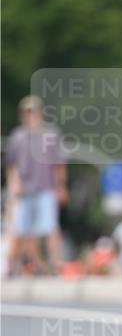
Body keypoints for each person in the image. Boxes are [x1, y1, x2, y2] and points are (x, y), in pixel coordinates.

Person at [3, 95, 68, 276]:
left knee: (50, 227)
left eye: (33, 112)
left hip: (46, 188)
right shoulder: (17, 136)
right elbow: (12, 166)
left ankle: (55, 263)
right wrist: (13, 186)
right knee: (19, 229)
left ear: (40, 113)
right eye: (26, 112)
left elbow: (59, 163)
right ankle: (12, 265)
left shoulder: (51, 134)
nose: (30, 115)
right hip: (24, 190)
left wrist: (61, 186)